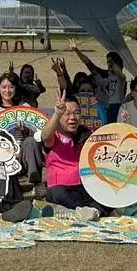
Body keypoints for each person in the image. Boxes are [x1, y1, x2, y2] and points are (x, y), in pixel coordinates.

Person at [41, 92, 110, 221]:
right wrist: (57, 113)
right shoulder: (54, 134)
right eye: (67, 114)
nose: (72, 117)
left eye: (76, 113)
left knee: (110, 192)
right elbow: (45, 136)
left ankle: (91, 211)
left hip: (85, 185)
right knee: (58, 194)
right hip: (61, 187)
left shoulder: (87, 134)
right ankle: (88, 210)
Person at [0, 72, 45, 195]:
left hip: (22, 155)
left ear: (16, 88)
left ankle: (36, 182)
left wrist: (26, 131)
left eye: (11, 87)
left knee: (30, 141)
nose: (7, 90)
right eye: (4, 87)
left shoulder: (25, 107)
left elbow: (39, 134)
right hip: (2, 157)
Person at [69, 40, 127, 124]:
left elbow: (119, 73)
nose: (109, 65)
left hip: (116, 108)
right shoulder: (106, 77)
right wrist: (77, 51)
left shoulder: (122, 79)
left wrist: (112, 65)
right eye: (108, 63)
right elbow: (89, 64)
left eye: (112, 63)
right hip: (103, 110)